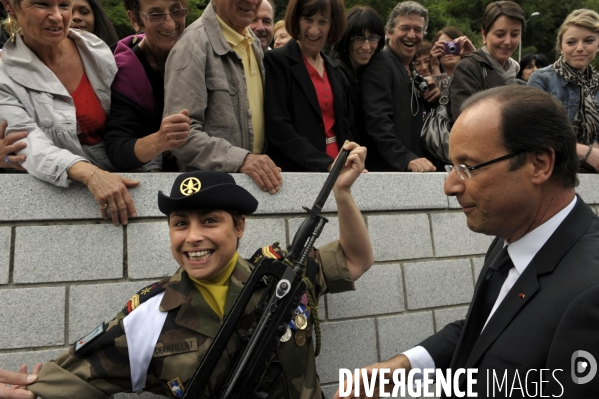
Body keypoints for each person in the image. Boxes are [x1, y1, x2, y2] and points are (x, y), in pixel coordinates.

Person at [0, 142, 374, 399]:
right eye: (180, 224)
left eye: (210, 221)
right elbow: (70, 379)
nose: (193, 238)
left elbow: (355, 260)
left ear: (239, 226)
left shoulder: (283, 277)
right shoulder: (150, 315)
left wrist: (343, 194)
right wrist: (34, 389)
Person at [335, 85, 599, 398]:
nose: (449, 186)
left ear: (539, 164)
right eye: (451, 166)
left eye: (468, 167)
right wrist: (406, 366)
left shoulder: (590, 294)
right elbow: (489, 328)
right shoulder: (512, 239)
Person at [0, 0, 139, 226]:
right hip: (52, 198)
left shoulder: (95, 49)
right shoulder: (4, 76)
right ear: (10, 6)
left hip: (125, 181)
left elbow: (128, 121)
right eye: (42, 5)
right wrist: (89, 173)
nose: (57, 16)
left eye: (64, 5)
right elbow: (28, 146)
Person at [163, 0, 282, 194]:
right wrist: (242, 160)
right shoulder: (192, 46)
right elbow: (180, 138)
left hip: (252, 187)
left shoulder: (250, 40)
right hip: (209, 192)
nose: (252, 1)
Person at [263, 0, 353, 172]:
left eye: (322, 22)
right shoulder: (277, 61)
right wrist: (325, 163)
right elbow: (278, 126)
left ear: (332, 25)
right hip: (298, 170)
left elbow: (345, 127)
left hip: (339, 169)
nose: (313, 30)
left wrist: (349, 160)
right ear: (296, 20)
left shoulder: (336, 70)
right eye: (308, 19)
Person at [103, 0, 191, 172]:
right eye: (155, 14)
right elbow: (117, 149)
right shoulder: (123, 72)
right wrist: (159, 141)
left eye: (177, 11)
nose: (170, 24)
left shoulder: (204, 55)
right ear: (135, 19)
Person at [359, 1, 436, 172]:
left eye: (418, 30)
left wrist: (433, 99)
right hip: (387, 173)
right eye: (405, 28)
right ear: (389, 32)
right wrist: (405, 158)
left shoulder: (411, 69)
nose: (411, 35)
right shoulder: (380, 63)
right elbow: (377, 121)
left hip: (413, 168)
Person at [528, 9, 599, 173]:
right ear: (560, 45)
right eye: (571, 42)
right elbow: (533, 132)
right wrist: (587, 153)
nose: (580, 48)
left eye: (588, 41)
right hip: (552, 170)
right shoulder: (541, 78)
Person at [449, 1, 525, 122]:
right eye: (500, 35)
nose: (507, 41)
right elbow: (464, 122)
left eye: (514, 34)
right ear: (484, 34)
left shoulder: (516, 74)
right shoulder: (468, 68)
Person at [330, 6, 384, 145]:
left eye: (372, 38)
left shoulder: (372, 70)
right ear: (346, 38)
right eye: (359, 38)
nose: (366, 47)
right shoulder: (336, 73)